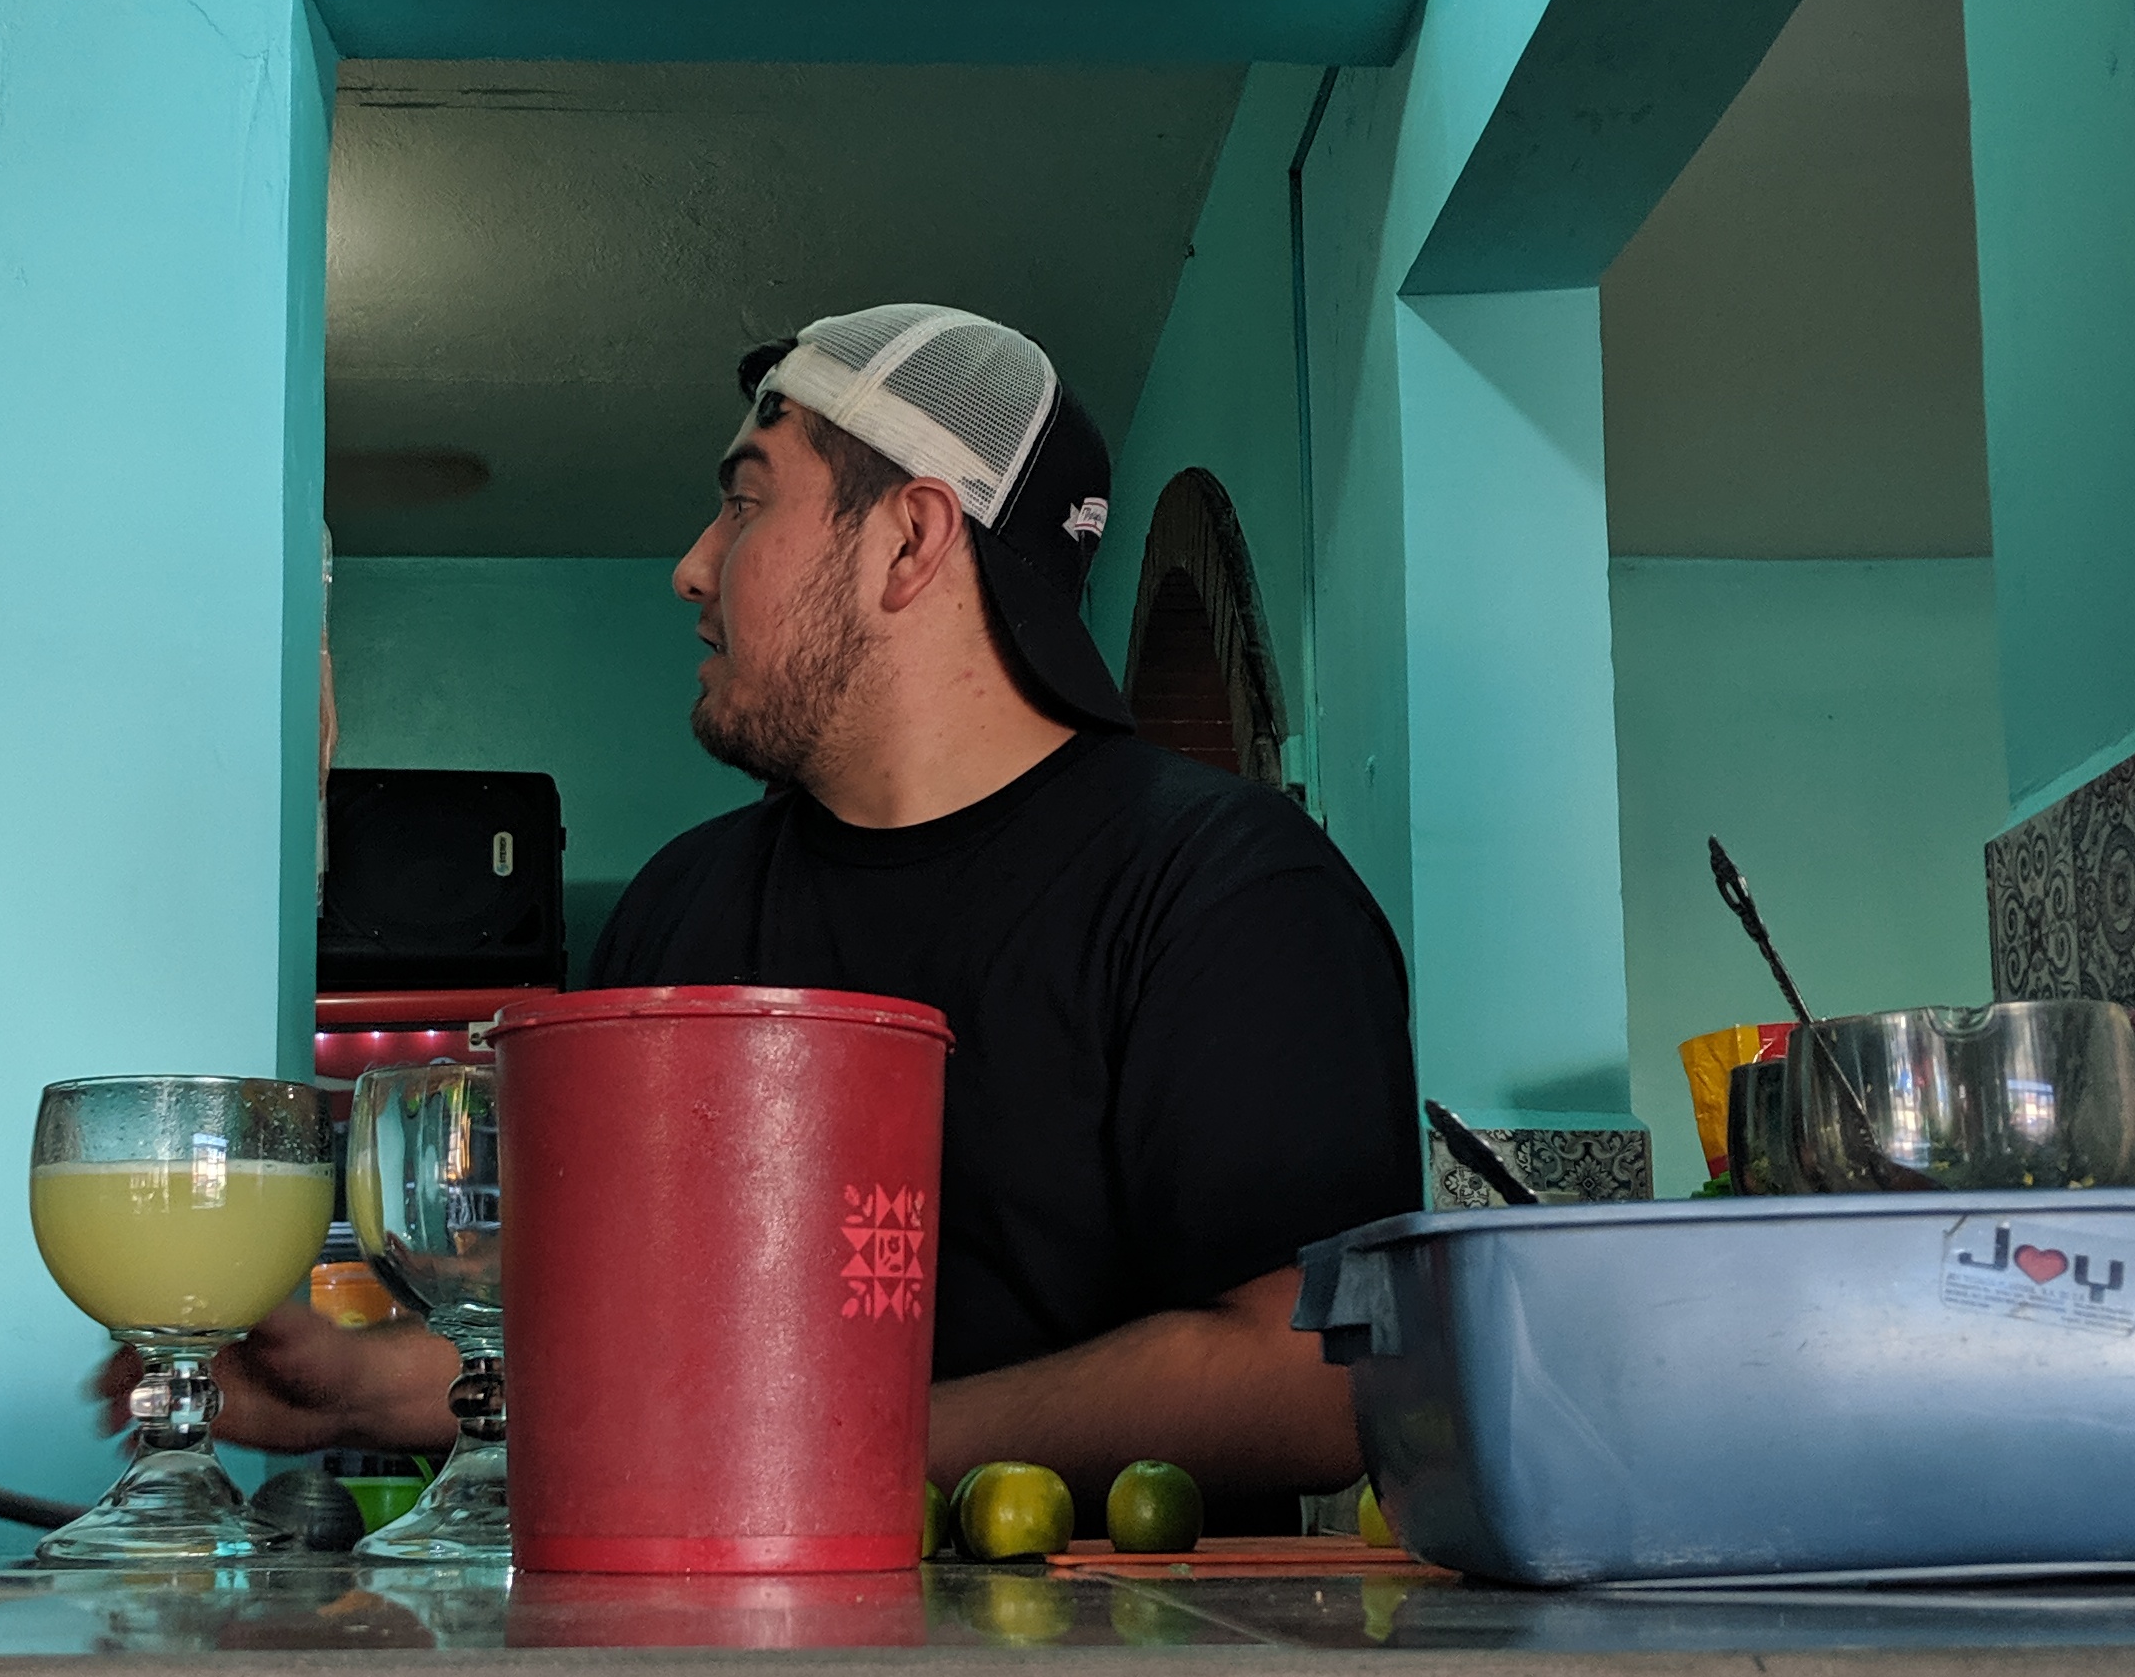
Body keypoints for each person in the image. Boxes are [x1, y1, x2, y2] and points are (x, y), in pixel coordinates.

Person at [139, 304, 1420, 1504]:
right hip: (685, 1637)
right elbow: (613, 1350)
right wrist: (358, 1390)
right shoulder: (678, 906)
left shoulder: (1228, 890)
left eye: (745, 505)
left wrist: (828, 1449)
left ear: (911, 541)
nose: (692, 568)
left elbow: (1320, 1375)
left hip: (1115, 1665)